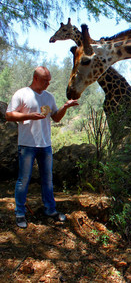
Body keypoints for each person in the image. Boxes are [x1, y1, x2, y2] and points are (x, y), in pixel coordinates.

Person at [5, 66, 79, 228]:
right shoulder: (22, 94)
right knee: (23, 180)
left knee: (48, 180)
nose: (48, 84)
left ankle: (50, 209)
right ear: (36, 79)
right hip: (27, 145)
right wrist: (29, 115)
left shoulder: (49, 97)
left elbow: (56, 118)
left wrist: (65, 107)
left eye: (49, 81)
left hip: (45, 145)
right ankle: (20, 213)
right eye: (46, 81)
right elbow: (9, 115)